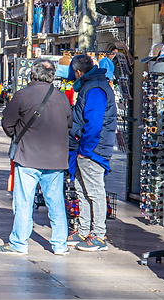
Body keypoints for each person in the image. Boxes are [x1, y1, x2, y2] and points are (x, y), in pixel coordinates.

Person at [0, 58, 73, 255]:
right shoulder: (62, 97)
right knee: (56, 203)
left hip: (28, 156)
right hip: (56, 159)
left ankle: (19, 243)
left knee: (23, 202)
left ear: (32, 74)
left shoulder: (22, 95)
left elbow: (7, 123)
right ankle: (60, 244)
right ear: (52, 77)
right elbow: (69, 125)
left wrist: (18, 134)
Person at [68, 53, 117, 252]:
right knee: (82, 190)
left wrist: (86, 150)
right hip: (87, 149)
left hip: (93, 150)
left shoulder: (95, 88)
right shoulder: (92, 85)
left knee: (95, 192)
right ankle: (83, 229)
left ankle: (98, 235)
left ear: (78, 72)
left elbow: (95, 124)